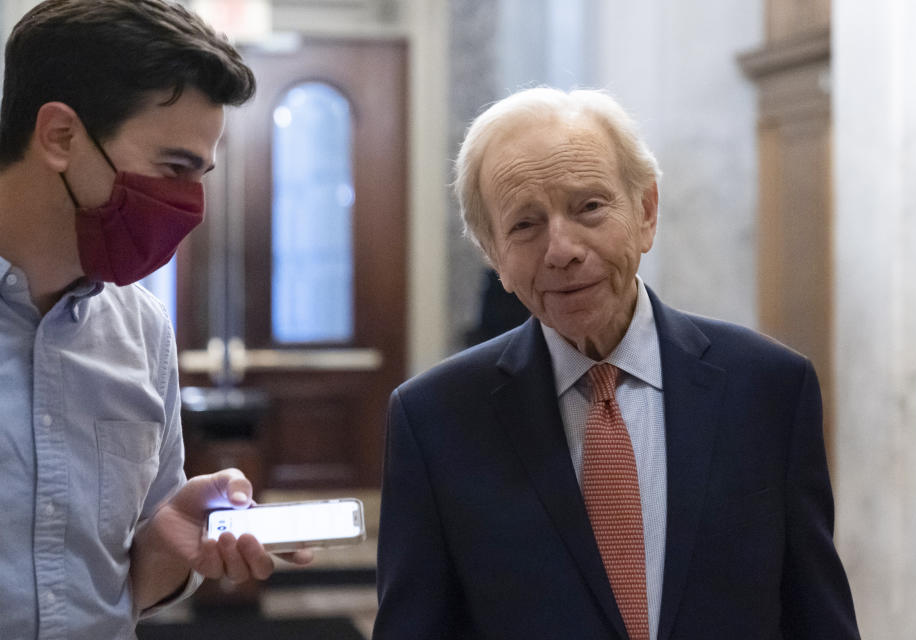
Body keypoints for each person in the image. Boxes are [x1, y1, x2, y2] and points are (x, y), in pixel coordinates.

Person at [373, 87, 860, 639]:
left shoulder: (770, 388)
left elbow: (816, 616)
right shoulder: (434, 420)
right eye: (525, 224)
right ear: (493, 254)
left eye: (589, 207)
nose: (562, 248)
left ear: (646, 212)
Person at [0, 1, 309, 638]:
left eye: (201, 174)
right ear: (60, 135)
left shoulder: (140, 331)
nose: (190, 204)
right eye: (175, 168)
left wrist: (168, 539)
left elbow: (110, 588)